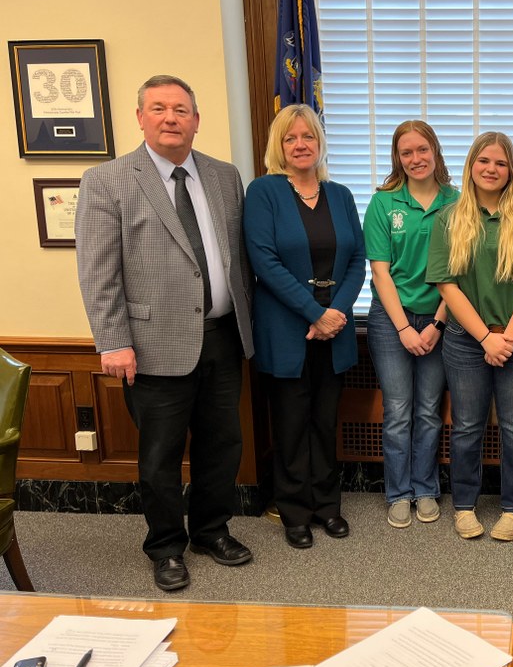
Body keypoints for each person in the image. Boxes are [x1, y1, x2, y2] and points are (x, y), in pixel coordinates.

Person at [76, 75, 255, 592]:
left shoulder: (224, 176)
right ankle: (166, 547)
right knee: (160, 456)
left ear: (196, 120)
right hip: (152, 345)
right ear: (140, 118)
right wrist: (112, 341)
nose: (170, 118)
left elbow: (235, 261)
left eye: (181, 109)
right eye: (159, 108)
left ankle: (211, 531)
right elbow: (97, 271)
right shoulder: (107, 180)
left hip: (222, 337)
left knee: (223, 444)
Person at [243, 104, 365, 549]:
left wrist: (336, 313)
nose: (300, 145)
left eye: (308, 137)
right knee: (291, 423)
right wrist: (314, 314)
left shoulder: (341, 195)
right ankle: (294, 510)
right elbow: (265, 262)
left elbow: (356, 260)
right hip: (286, 329)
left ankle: (327, 507)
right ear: (279, 145)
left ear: (320, 143)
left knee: (325, 421)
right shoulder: (264, 192)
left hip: (336, 329)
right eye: (291, 138)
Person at [426, 132, 513, 541]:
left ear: (510, 169)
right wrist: (485, 340)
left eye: (499, 162)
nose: (491, 169)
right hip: (465, 341)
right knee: (466, 426)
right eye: (484, 161)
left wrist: (507, 339)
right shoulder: (449, 218)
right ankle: (464, 505)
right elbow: (447, 286)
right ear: (471, 166)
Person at [363, 121, 458, 529]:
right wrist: (404, 328)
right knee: (399, 410)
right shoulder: (384, 203)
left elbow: (460, 274)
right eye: (406, 153)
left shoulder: (458, 202)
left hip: (443, 316)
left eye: (422, 150)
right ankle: (398, 492)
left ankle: (425, 488)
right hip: (392, 319)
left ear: (435, 152)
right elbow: (381, 274)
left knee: (430, 410)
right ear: (397, 159)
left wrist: (436, 324)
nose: (415, 159)